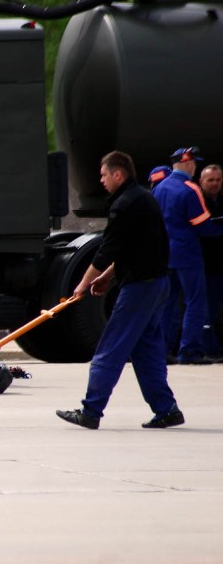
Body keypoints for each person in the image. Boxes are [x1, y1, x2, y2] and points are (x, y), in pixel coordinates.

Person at [57, 151, 183, 430]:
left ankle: (90, 411)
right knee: (146, 349)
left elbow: (106, 251)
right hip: (157, 284)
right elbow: (133, 248)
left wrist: (82, 284)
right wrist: (105, 277)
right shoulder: (142, 198)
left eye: (104, 175)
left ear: (118, 174)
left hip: (140, 288)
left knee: (111, 347)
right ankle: (167, 409)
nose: (101, 180)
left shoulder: (124, 205)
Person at [152, 147, 223, 364]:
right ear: (187, 164)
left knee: (168, 302)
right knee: (195, 301)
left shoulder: (159, 188)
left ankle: (162, 350)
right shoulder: (190, 189)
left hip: (166, 254)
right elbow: (202, 226)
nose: (195, 167)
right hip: (188, 254)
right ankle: (190, 350)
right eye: (194, 163)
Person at [199, 164, 223, 359]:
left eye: (218, 180)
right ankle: (207, 349)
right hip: (206, 265)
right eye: (210, 180)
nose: (215, 184)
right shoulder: (198, 202)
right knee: (207, 310)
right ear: (201, 181)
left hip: (219, 264)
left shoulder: (220, 201)